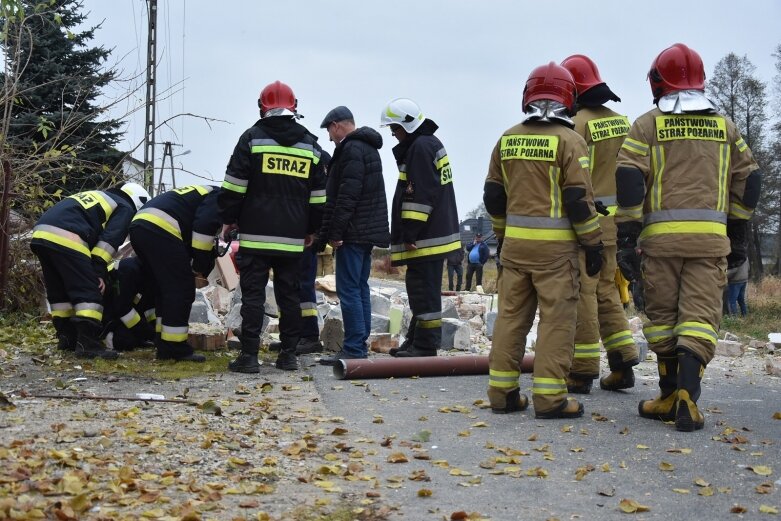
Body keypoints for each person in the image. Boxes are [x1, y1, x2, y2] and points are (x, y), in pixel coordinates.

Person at [616, 44, 761, 432]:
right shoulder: (725, 127)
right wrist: (739, 231)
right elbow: (750, 180)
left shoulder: (648, 125)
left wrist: (627, 236)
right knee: (698, 319)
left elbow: (629, 177)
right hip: (710, 244)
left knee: (663, 319)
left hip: (660, 244)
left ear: (657, 82)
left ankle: (667, 393)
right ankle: (686, 399)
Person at [484, 62, 603, 419]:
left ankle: (502, 393)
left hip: (516, 249)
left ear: (528, 96)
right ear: (569, 99)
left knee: (510, 319)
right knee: (556, 322)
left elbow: (493, 196)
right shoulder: (570, 141)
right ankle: (550, 400)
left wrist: (503, 237)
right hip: (556, 254)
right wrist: (594, 243)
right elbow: (579, 202)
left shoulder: (507, 138)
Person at [219, 80, 326, 373]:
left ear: (262, 107)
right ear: (294, 107)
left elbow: (234, 186)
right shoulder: (311, 145)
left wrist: (229, 218)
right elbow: (318, 199)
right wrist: (311, 230)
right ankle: (288, 356)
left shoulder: (252, 139)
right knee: (289, 297)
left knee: (252, 296)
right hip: (292, 239)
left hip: (255, 235)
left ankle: (250, 357)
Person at [560, 54, 639, 395]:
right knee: (607, 289)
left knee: (584, 294)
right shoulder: (624, 122)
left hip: (588, 223)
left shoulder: (576, 126)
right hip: (619, 222)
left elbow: (572, 179)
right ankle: (622, 359)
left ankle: (582, 370)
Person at [30, 182, 149, 360]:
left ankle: (67, 339)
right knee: (89, 292)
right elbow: (109, 240)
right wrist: (98, 269)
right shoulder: (125, 207)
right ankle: (88, 345)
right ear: (138, 204)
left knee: (60, 294)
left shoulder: (101, 196)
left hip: (40, 234)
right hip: (68, 236)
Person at [380, 98, 460, 358]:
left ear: (408, 125)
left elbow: (419, 195)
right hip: (434, 233)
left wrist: (410, 231)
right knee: (421, 291)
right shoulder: (429, 144)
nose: (393, 133)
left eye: (395, 128)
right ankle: (415, 340)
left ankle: (425, 346)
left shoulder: (420, 148)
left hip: (426, 237)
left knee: (423, 293)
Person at [315, 106, 390, 365]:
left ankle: (354, 348)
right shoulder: (367, 148)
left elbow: (346, 196)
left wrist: (335, 233)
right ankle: (360, 343)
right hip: (365, 232)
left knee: (348, 290)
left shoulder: (351, 150)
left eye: (329, 130)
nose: (328, 138)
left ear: (337, 125)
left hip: (352, 233)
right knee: (360, 288)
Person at [129, 185, 222, 362]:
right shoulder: (220, 197)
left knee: (163, 288)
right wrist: (200, 265)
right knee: (181, 288)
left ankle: (163, 344)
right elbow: (203, 228)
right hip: (160, 227)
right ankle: (176, 348)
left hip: (140, 226)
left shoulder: (201, 194)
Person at [268, 150, 332, 356]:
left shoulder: (317, 157)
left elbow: (322, 200)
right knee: (285, 287)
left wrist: (316, 233)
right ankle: (290, 337)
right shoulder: (303, 156)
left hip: (305, 235)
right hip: (290, 233)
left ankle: (310, 336)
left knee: (303, 287)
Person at [101, 256, 155, 351]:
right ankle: (102, 338)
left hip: (120, 311)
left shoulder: (148, 271)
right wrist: (149, 333)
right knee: (125, 341)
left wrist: (156, 332)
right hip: (106, 313)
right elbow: (122, 309)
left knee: (136, 338)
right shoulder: (128, 270)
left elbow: (149, 306)